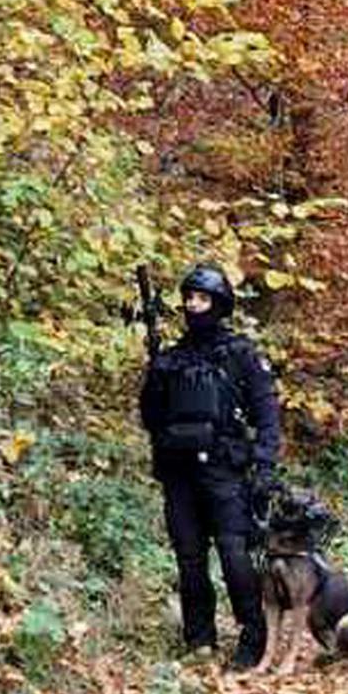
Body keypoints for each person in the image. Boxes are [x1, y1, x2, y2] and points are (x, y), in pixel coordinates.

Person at [139, 263, 280, 669]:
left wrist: (265, 465)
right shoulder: (170, 359)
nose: (192, 306)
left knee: (236, 555)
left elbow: (266, 414)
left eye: (202, 299)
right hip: (178, 474)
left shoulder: (241, 355)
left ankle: (253, 637)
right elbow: (151, 417)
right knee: (189, 558)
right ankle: (200, 639)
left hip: (226, 472)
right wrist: (155, 378)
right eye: (189, 298)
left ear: (219, 304)